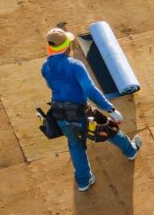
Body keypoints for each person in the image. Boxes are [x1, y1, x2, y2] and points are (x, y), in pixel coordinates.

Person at [41, 27, 142, 192]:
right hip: (81, 112)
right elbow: (90, 90)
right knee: (109, 130)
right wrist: (110, 109)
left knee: (75, 145)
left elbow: (53, 86)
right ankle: (131, 151)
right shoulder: (75, 65)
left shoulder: (45, 66)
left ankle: (83, 181)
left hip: (60, 114)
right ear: (67, 46)